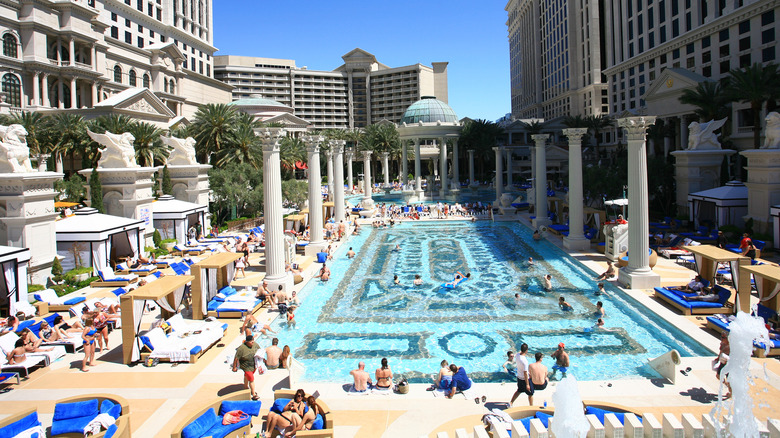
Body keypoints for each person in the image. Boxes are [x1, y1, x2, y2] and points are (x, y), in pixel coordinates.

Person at [232, 335, 260, 400]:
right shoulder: (241, 348)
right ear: (247, 342)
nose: (253, 342)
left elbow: (260, 351)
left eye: (253, 341)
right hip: (246, 366)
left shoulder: (255, 344)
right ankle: (254, 394)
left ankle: (245, 387)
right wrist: (234, 367)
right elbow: (236, 358)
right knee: (251, 379)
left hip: (253, 365)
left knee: (247, 376)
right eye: (251, 342)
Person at [714, 331, 731, 399]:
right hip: (723, 362)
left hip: (729, 364)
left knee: (729, 379)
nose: (722, 338)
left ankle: (731, 393)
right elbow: (721, 351)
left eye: (723, 337)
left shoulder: (731, 346)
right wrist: (718, 358)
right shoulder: (722, 344)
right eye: (721, 337)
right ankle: (726, 384)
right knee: (718, 376)